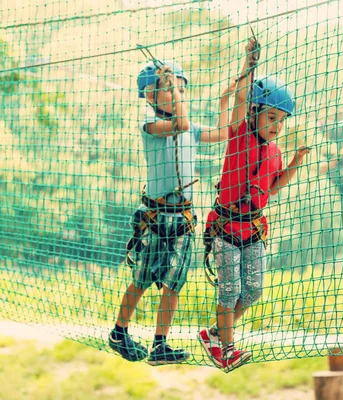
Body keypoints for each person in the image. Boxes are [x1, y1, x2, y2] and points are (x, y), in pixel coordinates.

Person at [108, 59, 233, 365]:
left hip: (182, 219)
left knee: (173, 282)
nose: (178, 93)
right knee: (142, 278)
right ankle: (119, 333)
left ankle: (160, 344)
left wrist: (226, 99)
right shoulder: (150, 126)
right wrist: (175, 92)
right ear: (150, 97)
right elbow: (180, 124)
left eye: (181, 88)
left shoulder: (190, 130)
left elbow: (223, 133)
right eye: (170, 88)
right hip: (155, 218)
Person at [198, 38, 310, 371]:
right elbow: (239, 97)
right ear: (254, 114)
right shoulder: (239, 137)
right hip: (226, 228)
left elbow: (272, 189)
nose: (276, 126)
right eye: (271, 118)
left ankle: (215, 333)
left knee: (253, 291)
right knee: (229, 290)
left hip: (254, 229)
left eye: (281, 121)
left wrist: (294, 163)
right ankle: (227, 348)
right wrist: (249, 64)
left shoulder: (274, 153)